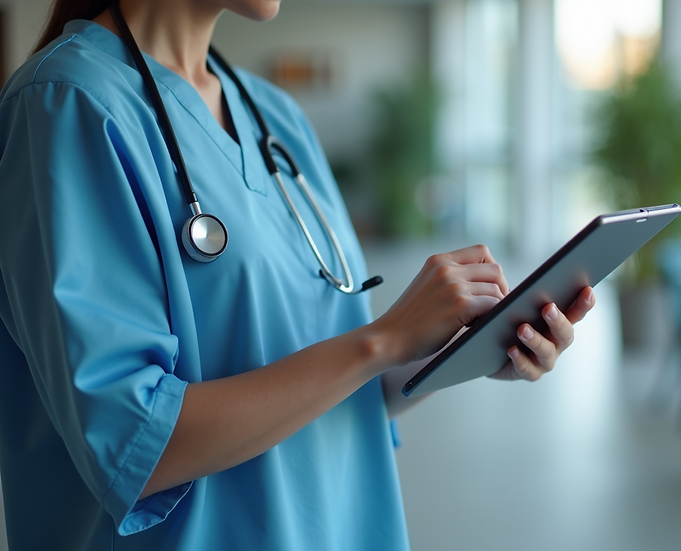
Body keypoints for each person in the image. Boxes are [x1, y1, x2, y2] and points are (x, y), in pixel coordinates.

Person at [0, 0, 595, 549]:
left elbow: (330, 382)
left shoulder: (273, 115)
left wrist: (464, 349)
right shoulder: (69, 104)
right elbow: (136, 446)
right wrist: (382, 339)